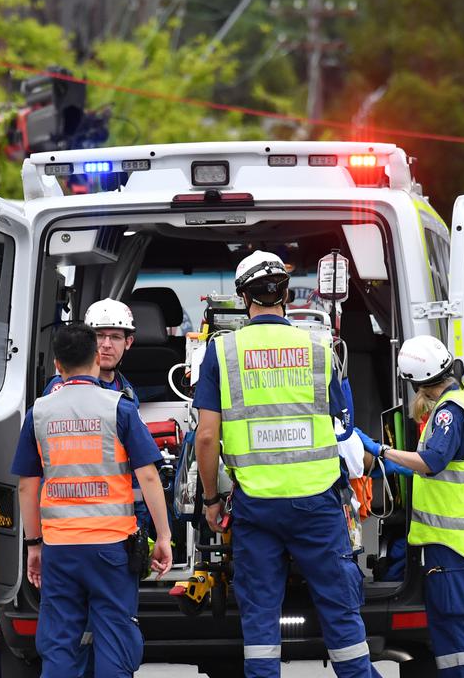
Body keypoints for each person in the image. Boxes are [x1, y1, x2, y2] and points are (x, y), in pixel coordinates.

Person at [195, 250, 376, 678]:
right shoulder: (319, 347)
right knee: (340, 611)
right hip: (317, 503)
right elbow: (344, 426)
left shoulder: (222, 352)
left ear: (244, 297)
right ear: (285, 293)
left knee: (260, 618)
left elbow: (205, 436)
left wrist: (210, 500)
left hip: (257, 506)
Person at [12, 323, 173, 678]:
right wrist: (163, 536)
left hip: (60, 548)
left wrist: (33, 544)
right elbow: (147, 476)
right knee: (115, 641)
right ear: (96, 361)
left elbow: (27, 485)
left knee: (59, 645)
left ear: (57, 365)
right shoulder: (120, 408)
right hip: (111, 548)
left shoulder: (38, 414)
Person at [360, 335, 464, 678]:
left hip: (447, 542)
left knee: (452, 626)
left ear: (415, 382)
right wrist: (401, 466)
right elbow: (444, 466)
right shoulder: (461, 403)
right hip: (462, 541)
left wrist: (381, 451)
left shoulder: (449, 413)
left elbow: (433, 460)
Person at [43, 298, 139, 404]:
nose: (107, 345)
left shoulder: (126, 390)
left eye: (115, 337)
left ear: (128, 342)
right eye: (99, 336)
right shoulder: (60, 388)